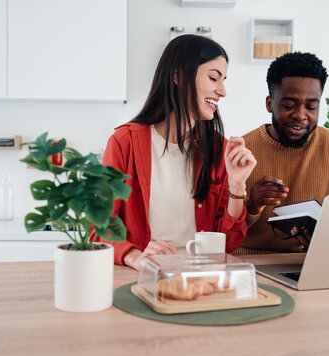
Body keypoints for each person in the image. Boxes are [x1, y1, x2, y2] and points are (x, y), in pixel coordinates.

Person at [97, 35, 257, 270]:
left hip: (202, 275)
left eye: (223, 80)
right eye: (214, 78)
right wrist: (134, 256)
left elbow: (228, 244)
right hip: (146, 274)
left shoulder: (218, 149)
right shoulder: (125, 142)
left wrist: (237, 186)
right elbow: (99, 227)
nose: (222, 91)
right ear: (178, 76)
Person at [236, 52, 329, 254]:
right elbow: (218, 233)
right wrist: (252, 206)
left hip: (312, 263)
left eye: (311, 106)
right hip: (249, 263)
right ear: (270, 103)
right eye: (289, 105)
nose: (300, 115)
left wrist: (325, 240)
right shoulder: (241, 151)